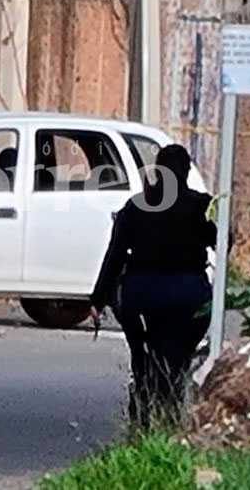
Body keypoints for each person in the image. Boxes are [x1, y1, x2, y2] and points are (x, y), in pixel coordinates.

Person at [89, 144, 215, 426]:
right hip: (189, 298)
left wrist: (97, 299)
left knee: (143, 356)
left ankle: (143, 393)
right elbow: (221, 241)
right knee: (176, 359)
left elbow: (116, 253)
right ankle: (169, 404)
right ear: (186, 172)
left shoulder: (136, 207)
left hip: (141, 297)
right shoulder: (201, 207)